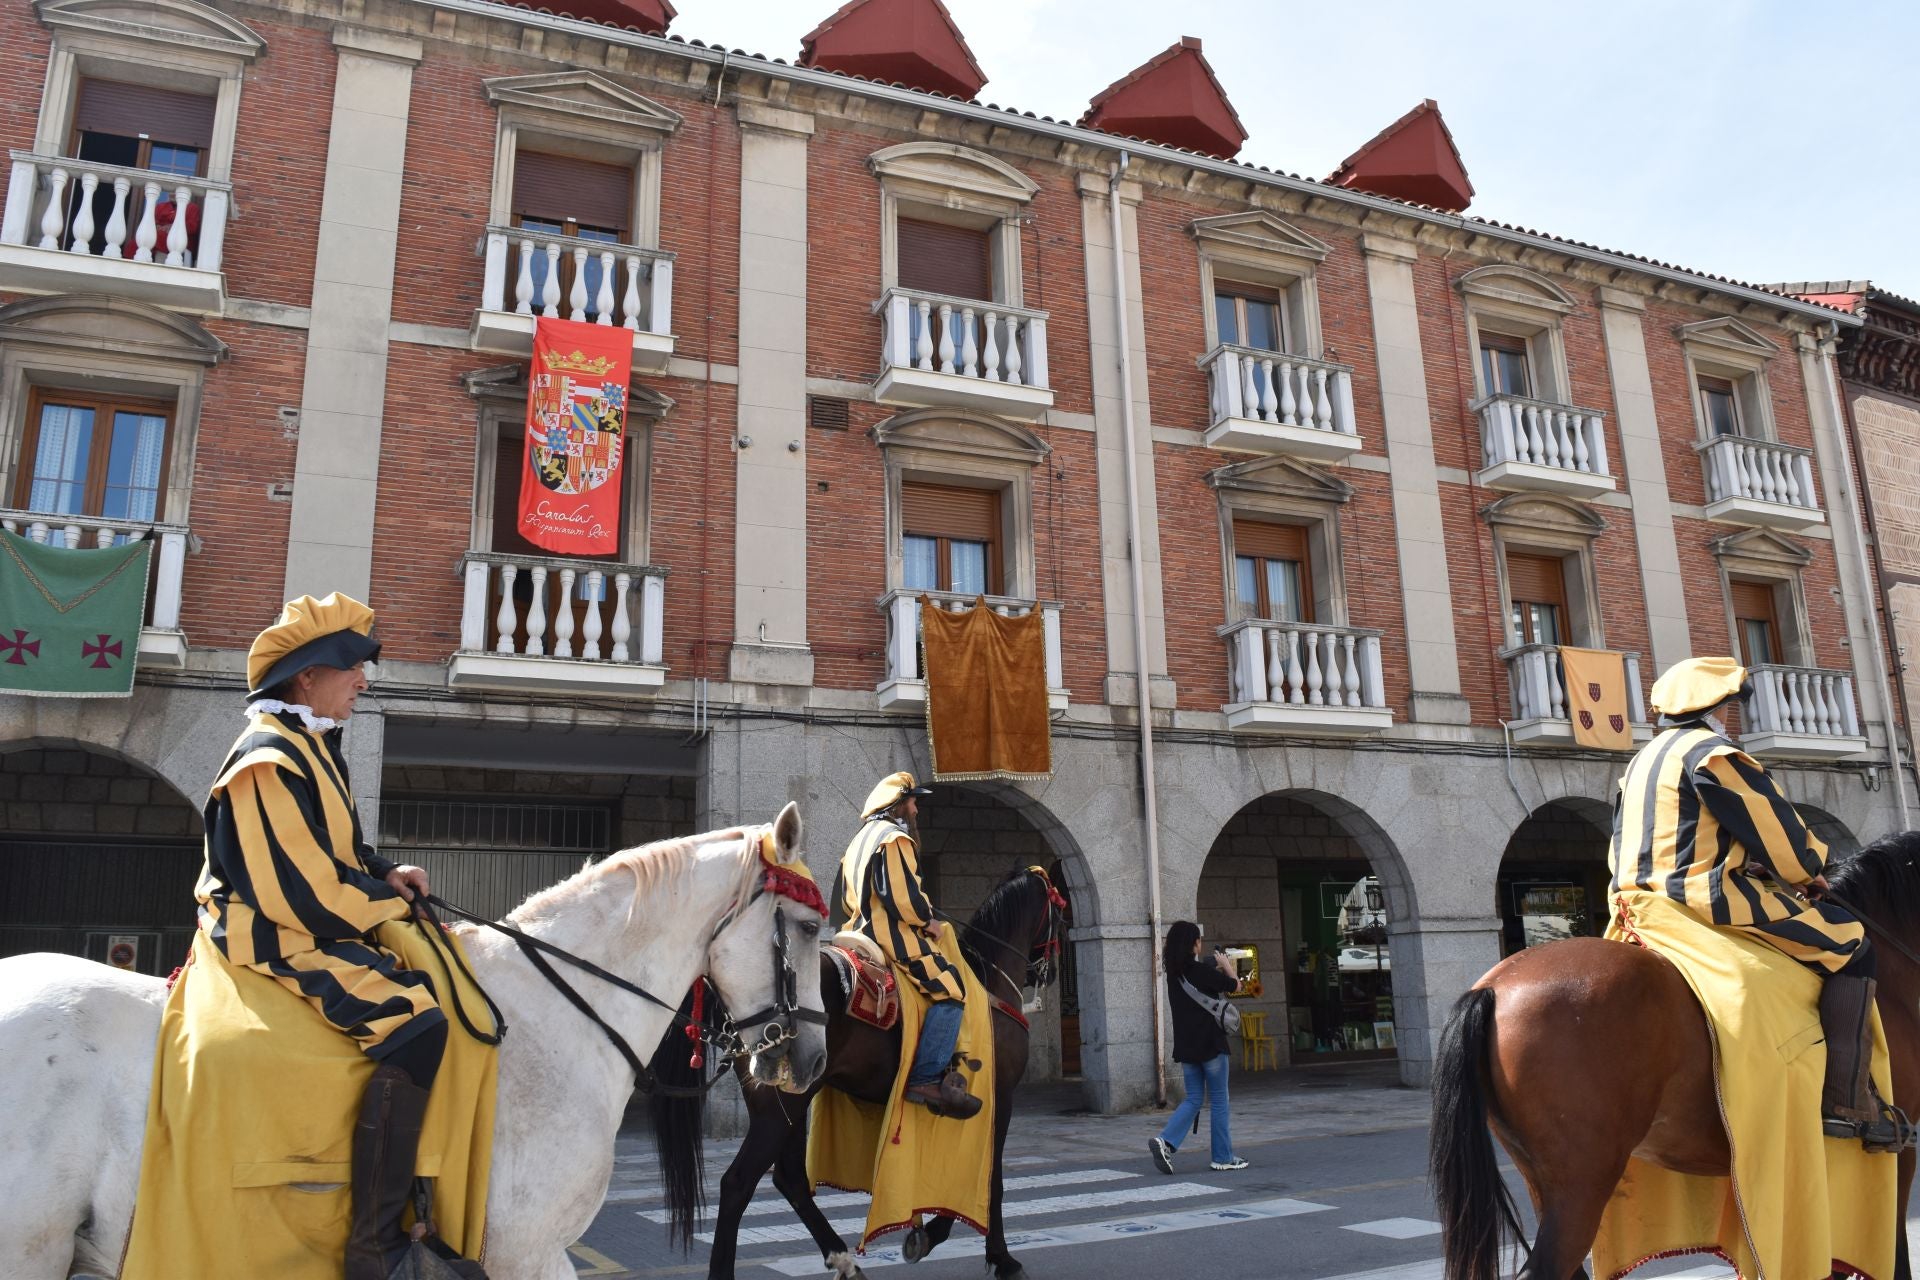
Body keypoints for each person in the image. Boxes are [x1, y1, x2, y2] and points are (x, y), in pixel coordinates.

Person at [194, 593, 482, 1278]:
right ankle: (374, 1244)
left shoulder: (313, 746)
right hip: (269, 933)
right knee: (418, 1024)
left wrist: (388, 872)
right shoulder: (267, 756)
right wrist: (388, 907)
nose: (362, 680)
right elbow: (302, 892)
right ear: (307, 678)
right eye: (352, 668)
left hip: (306, 916)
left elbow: (342, 852)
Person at [1610, 654, 1913, 1152]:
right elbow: (1783, 839)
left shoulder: (1641, 762)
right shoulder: (1714, 755)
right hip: (1706, 902)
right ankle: (1846, 1101)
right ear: (1717, 707)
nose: (1730, 717)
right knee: (1852, 942)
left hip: (1637, 904)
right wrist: (1810, 871)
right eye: (1729, 706)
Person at [837, 771, 983, 1119]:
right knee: (951, 991)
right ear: (898, 805)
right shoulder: (893, 838)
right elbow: (899, 895)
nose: (916, 808)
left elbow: (845, 899)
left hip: (856, 931)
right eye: (913, 801)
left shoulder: (857, 843)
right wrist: (926, 920)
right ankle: (926, 1077)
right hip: (890, 937)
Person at [1148, 920, 1248, 1173]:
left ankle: (1166, 1141)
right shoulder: (1202, 972)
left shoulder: (1174, 974)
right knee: (1218, 1100)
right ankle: (1223, 1157)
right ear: (1194, 943)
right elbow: (1236, 986)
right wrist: (1227, 967)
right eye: (1198, 940)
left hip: (1187, 1046)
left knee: (1193, 1098)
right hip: (1211, 1045)